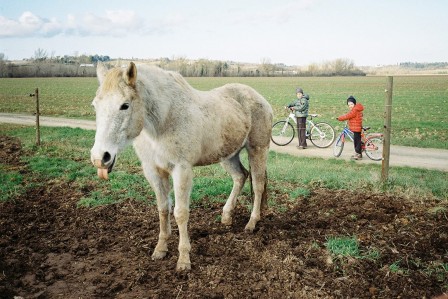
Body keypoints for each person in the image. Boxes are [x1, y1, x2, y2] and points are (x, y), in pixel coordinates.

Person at [336, 96, 364, 160]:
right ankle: (359, 152)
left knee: (356, 141)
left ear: (354, 104)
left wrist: (340, 118)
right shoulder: (357, 109)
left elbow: (348, 115)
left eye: (351, 104)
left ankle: (358, 154)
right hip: (357, 126)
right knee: (357, 140)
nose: (350, 106)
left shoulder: (354, 110)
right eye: (349, 105)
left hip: (356, 128)